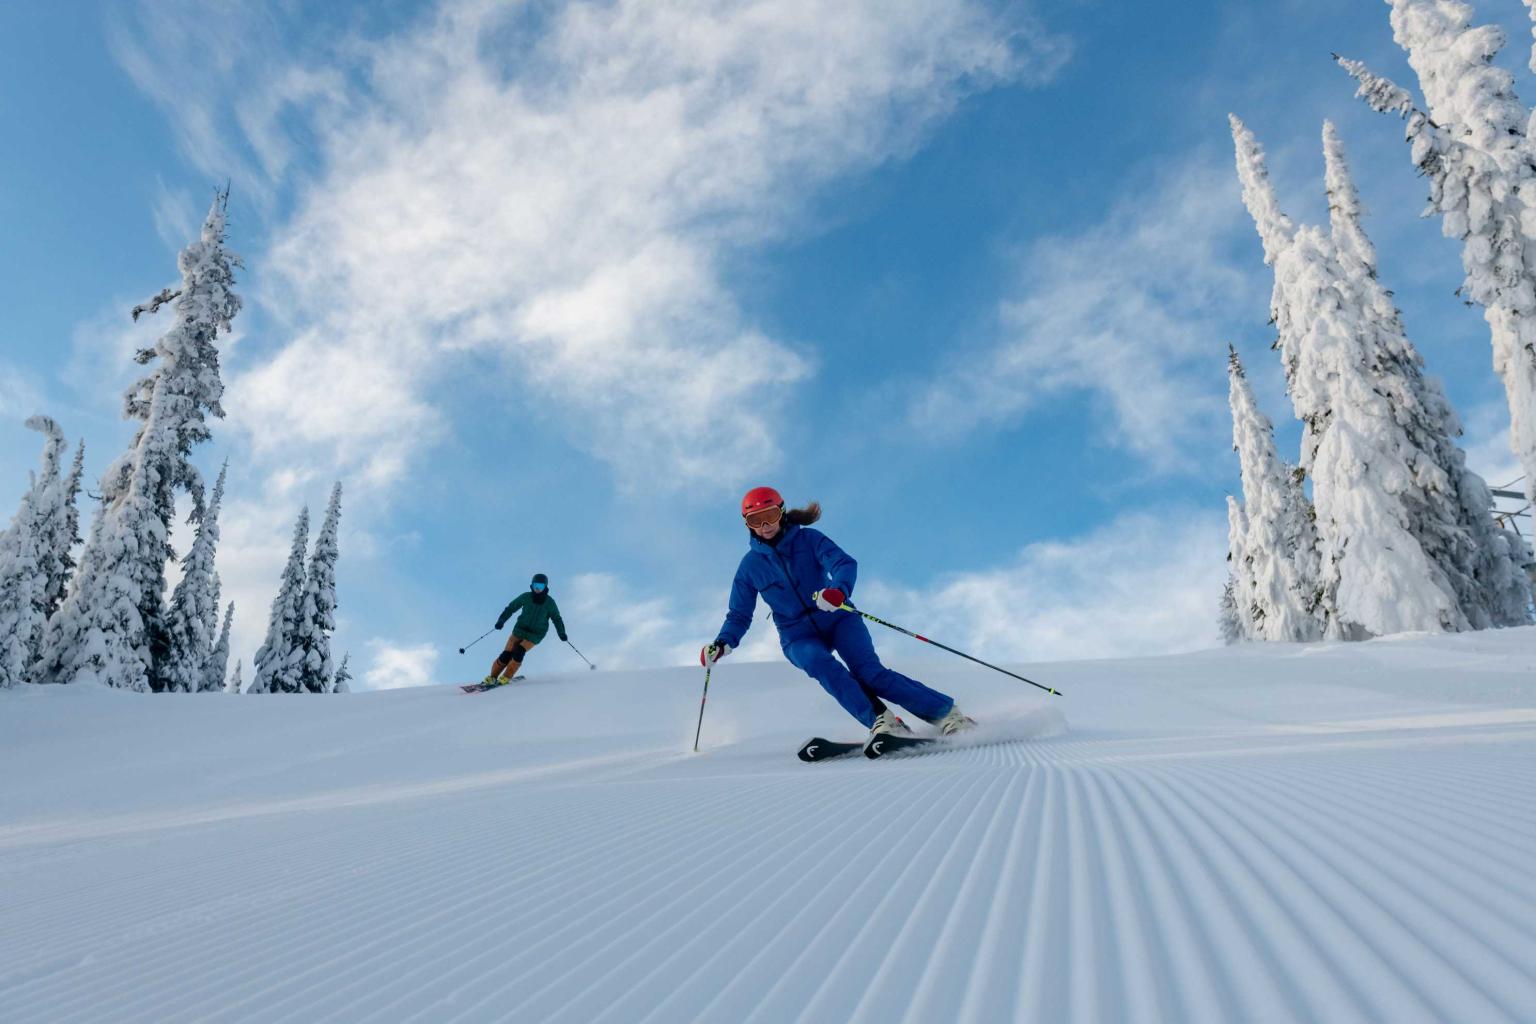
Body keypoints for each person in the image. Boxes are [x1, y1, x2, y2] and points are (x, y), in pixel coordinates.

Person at [702, 487, 976, 739]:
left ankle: (948, 715)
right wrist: (723, 643)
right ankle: (883, 722)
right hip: (797, 635)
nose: (765, 526)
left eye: (770, 515)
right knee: (820, 664)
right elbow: (739, 614)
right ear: (747, 525)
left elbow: (843, 563)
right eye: (755, 520)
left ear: (781, 513)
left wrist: (837, 591)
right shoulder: (750, 566)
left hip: (838, 616)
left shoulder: (808, 539)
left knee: (870, 673)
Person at [484, 572, 567, 686]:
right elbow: (511, 608)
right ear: (532, 586)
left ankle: (506, 677)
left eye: (540, 586)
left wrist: (561, 633)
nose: (537, 589)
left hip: (535, 634)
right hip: (519, 630)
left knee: (519, 652)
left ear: (545, 587)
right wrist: (501, 620)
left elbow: (557, 619)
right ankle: (492, 677)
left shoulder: (550, 603)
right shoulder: (526, 597)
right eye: (535, 586)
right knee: (506, 655)